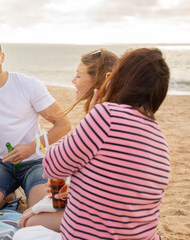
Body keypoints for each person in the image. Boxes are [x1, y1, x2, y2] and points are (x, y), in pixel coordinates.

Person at [14, 48, 170, 239]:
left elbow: (52, 166)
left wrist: (92, 116)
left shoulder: (106, 115)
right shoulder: (160, 138)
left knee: (24, 233)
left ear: (121, 79)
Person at [0, 35, 71, 212]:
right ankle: (10, 193)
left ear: (1, 56)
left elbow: (63, 124)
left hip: (35, 160)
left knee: (41, 208)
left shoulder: (28, 85)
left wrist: (32, 147)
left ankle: (17, 190)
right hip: (1, 161)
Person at [18, 48, 118, 231]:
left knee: (28, 224)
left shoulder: (102, 118)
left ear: (98, 80)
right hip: (115, 208)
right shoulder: (123, 114)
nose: (73, 81)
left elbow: (53, 165)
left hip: (102, 216)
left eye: (79, 76)